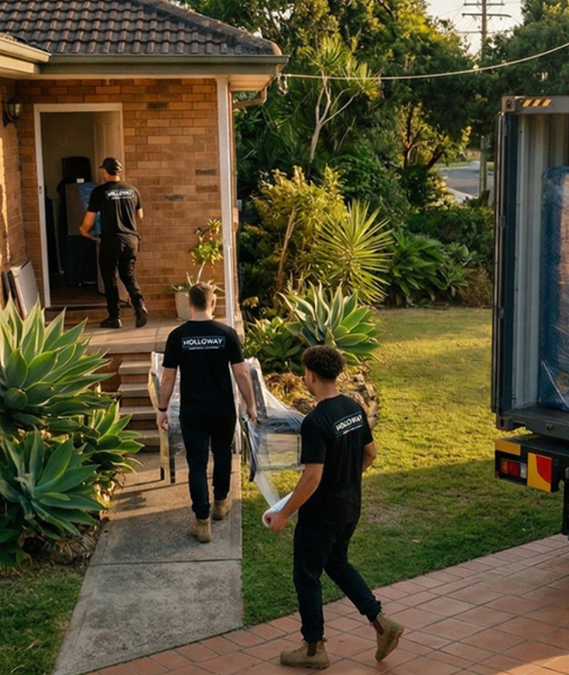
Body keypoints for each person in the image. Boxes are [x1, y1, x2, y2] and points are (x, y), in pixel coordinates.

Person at [266, 345, 404, 669]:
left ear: (310, 376)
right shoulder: (353, 408)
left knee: (306, 575)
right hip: (350, 506)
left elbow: (312, 477)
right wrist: (345, 480)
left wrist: (284, 514)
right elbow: (370, 454)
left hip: (322, 514)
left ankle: (313, 649)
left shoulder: (315, 421)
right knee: (337, 562)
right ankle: (382, 624)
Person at [157, 282, 257, 543]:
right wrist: (251, 403)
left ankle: (202, 523)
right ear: (213, 303)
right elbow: (241, 373)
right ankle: (221, 503)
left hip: (193, 411)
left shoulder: (178, 336)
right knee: (223, 454)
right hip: (222, 409)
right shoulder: (226, 333)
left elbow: (168, 377)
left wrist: (162, 408)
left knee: (197, 464)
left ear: (189, 303)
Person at [79, 157, 148, 329]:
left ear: (104, 172)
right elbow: (140, 216)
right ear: (119, 171)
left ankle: (114, 317)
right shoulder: (132, 190)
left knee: (109, 279)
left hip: (111, 241)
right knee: (128, 275)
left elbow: (89, 219)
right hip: (131, 240)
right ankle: (140, 307)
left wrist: (84, 231)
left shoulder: (99, 192)